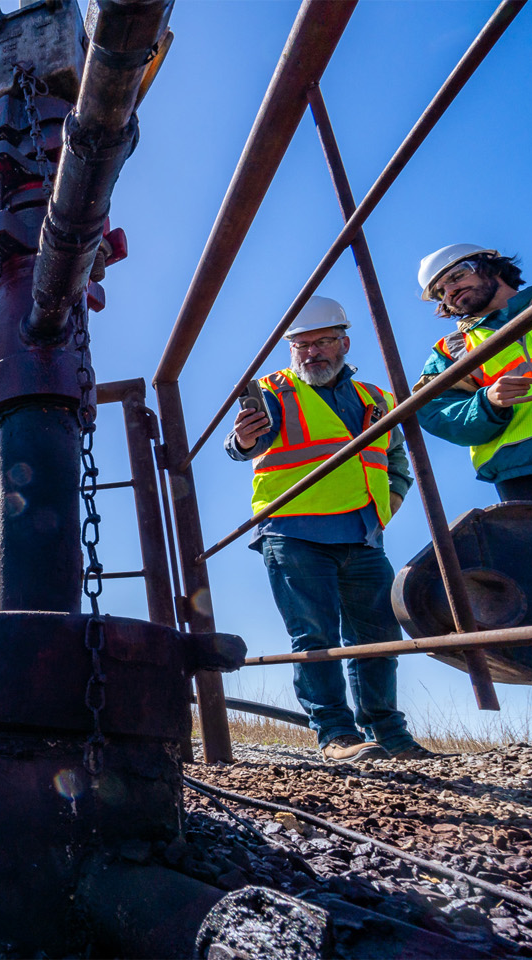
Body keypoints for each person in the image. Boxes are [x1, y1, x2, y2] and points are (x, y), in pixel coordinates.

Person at [226, 296, 432, 762]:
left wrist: (386, 507)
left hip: (361, 536)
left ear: (344, 342)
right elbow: (240, 444)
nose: (311, 352)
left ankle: (390, 735)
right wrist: (241, 440)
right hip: (292, 532)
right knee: (313, 636)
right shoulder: (269, 390)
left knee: (378, 638)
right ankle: (336, 736)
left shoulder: (376, 399)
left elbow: (397, 461)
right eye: (301, 345)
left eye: (321, 342)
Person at [412, 244, 532, 502]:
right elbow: (434, 413)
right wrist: (488, 402)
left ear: (491, 267)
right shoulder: (452, 350)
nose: (450, 291)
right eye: (441, 291)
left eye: (456, 276)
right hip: (523, 472)